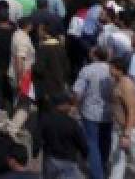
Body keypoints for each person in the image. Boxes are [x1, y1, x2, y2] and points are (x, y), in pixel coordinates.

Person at [74, 46, 114, 179]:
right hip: (109, 112)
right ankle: (103, 166)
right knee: (105, 140)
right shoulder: (112, 70)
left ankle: (98, 174)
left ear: (95, 55)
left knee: (92, 143)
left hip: (90, 111)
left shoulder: (87, 70)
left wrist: (75, 106)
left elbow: (78, 91)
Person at [39, 92, 87, 178]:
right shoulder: (72, 123)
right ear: (63, 105)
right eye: (69, 104)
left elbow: (38, 137)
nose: (70, 107)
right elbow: (82, 143)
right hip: (68, 162)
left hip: (51, 160)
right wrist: (85, 155)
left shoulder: (45, 119)